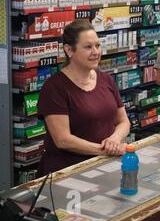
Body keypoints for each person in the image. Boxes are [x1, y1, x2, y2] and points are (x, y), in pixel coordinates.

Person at [37, 20, 130, 175]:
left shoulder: (106, 79)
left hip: (104, 166)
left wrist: (115, 139)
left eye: (98, 45)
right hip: (68, 173)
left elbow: (123, 121)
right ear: (69, 50)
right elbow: (63, 140)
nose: (96, 52)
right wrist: (105, 150)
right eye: (88, 47)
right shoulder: (54, 88)